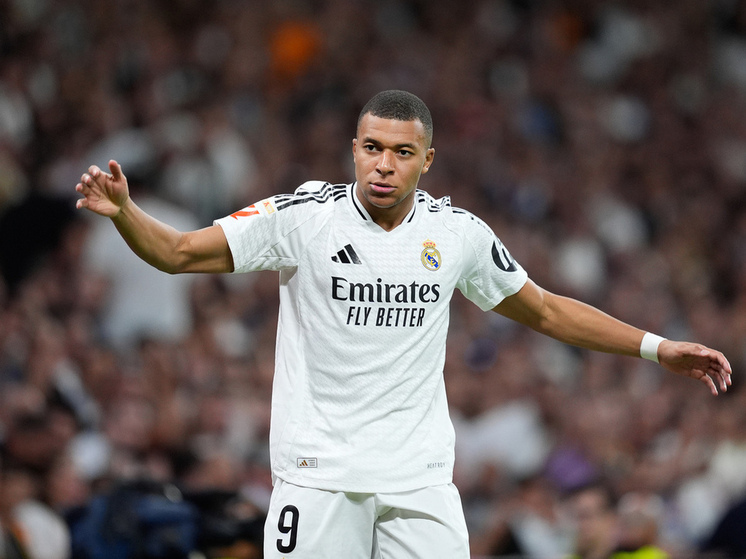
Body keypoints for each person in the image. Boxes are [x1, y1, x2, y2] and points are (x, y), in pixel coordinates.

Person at [75, 89, 732, 558]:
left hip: (418, 479)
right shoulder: (302, 218)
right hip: (319, 475)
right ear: (354, 150)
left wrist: (657, 347)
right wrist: (127, 213)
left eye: (400, 151)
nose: (383, 164)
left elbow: (545, 308)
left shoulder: (457, 233)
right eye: (371, 148)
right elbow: (178, 253)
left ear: (427, 160)